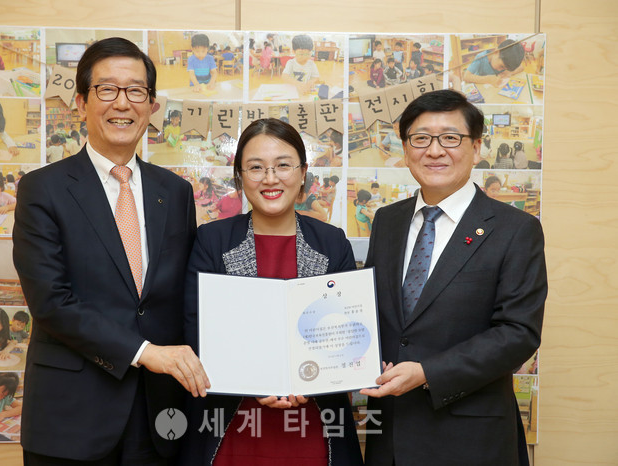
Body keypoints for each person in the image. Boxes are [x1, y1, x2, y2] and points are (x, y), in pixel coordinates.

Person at [12, 37, 209, 464]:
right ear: (81, 102)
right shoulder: (42, 189)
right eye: (107, 89)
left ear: (151, 106)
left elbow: (185, 297)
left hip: (160, 415)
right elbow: (51, 302)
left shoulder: (175, 192)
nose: (122, 103)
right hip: (72, 416)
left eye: (136, 91)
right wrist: (144, 353)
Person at [361, 89, 547, 466]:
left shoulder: (515, 229)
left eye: (450, 138)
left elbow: (518, 332)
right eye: (420, 139)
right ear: (405, 149)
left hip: (470, 439)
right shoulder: (388, 220)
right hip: (390, 435)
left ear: (476, 148)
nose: (434, 151)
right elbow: (373, 313)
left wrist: (427, 372)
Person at [180, 118, 363, 466]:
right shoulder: (212, 240)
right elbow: (197, 329)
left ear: (303, 172)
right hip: (231, 424)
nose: (270, 178)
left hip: (315, 424)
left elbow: (345, 333)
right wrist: (254, 381)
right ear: (239, 177)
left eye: (283, 165)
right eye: (256, 167)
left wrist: (310, 380)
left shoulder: (331, 242)